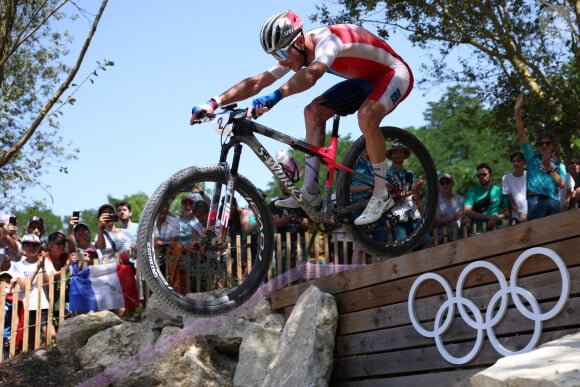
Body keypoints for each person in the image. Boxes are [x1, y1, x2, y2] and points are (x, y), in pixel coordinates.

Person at [190, 10, 414, 225]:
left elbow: (312, 74)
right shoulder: (295, 52)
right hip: (364, 81)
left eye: (281, 53)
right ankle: (311, 191)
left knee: (366, 116)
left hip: (393, 74)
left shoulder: (329, 41)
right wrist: (214, 102)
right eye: (275, 56)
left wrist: (275, 96)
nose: (281, 61)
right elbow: (258, 82)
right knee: (312, 112)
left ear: (298, 42)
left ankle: (381, 192)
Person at [514, 94, 566, 220]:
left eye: (547, 143)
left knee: (555, 235)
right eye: (540, 143)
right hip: (535, 199)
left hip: (553, 201)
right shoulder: (532, 157)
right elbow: (522, 135)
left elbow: (562, 184)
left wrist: (549, 168)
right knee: (536, 234)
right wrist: (517, 111)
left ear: (553, 145)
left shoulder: (560, 165)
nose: (543, 146)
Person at [10, 234, 57, 347]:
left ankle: (42, 353)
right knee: (29, 340)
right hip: (26, 306)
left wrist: (43, 268)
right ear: (23, 247)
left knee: (51, 334)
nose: (31, 248)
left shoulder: (47, 262)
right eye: (28, 245)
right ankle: (32, 359)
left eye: (35, 245)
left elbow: (49, 283)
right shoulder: (18, 265)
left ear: (39, 247)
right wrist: (36, 269)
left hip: (43, 304)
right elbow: (24, 286)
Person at [270, 184, 309, 271]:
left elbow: (306, 225)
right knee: (282, 272)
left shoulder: (301, 202)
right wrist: (291, 216)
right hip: (282, 243)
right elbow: (277, 223)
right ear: (280, 187)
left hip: (299, 243)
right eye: (283, 184)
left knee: (300, 273)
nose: (286, 187)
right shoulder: (276, 203)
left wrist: (298, 218)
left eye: (289, 184)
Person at [464, 163, 510, 233]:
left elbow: (507, 212)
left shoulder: (499, 191)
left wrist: (497, 218)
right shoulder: (472, 191)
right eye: (479, 175)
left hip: (497, 229)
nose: (481, 177)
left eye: (484, 174)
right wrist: (488, 217)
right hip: (477, 231)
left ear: (490, 175)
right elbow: (467, 212)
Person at [434, 173, 467, 243]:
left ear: (452, 184)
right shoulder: (435, 201)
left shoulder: (461, 199)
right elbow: (438, 221)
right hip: (443, 239)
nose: (445, 185)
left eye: (447, 182)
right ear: (438, 185)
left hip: (461, 237)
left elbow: (466, 217)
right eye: (442, 183)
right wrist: (453, 218)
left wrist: (465, 221)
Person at [1, 270, 24, 360]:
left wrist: (13, 334)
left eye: (8, 281)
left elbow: (17, 320)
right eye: (3, 282)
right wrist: (9, 287)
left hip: (6, 337)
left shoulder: (14, 301)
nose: (6, 284)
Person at [501, 151, 528, 224]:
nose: (516, 163)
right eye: (514, 161)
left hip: (532, 213)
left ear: (524, 162)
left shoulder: (529, 175)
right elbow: (510, 200)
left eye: (519, 161)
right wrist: (520, 213)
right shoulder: (506, 178)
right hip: (516, 217)